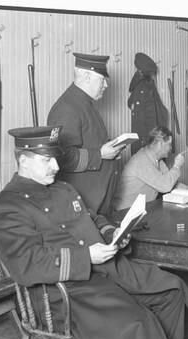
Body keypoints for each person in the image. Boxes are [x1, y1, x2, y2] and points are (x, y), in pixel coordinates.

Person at [0, 126, 188, 339]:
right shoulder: (9, 206)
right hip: (64, 291)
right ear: (23, 160)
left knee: (171, 289)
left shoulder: (63, 189)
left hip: (103, 269)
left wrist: (113, 233)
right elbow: (27, 264)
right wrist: (85, 257)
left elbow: (94, 219)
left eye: (56, 158)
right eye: (47, 160)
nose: (56, 166)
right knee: (136, 321)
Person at [47, 52, 126, 216]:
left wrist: (111, 150)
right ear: (86, 76)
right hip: (83, 202)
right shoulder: (67, 108)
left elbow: (90, 142)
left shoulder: (84, 104)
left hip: (96, 200)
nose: (106, 85)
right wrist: (101, 154)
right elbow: (62, 157)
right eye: (102, 79)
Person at [113, 126, 188, 211]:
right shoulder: (141, 160)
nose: (171, 148)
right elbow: (166, 186)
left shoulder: (157, 160)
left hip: (140, 210)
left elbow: (170, 182)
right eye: (169, 145)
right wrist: (177, 166)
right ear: (160, 144)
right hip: (124, 213)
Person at [127, 52, 169, 155]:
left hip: (145, 142)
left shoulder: (142, 87)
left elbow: (131, 105)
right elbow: (147, 118)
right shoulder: (145, 87)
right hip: (146, 141)